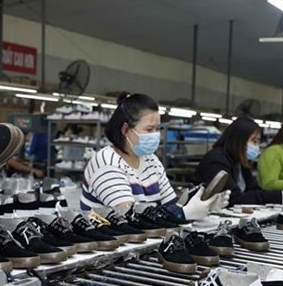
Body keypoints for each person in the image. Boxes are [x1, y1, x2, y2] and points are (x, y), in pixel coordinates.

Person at [80, 92, 227, 220]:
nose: (156, 135)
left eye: (158, 129)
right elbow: (130, 217)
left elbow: (170, 205)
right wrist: (184, 214)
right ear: (125, 129)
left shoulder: (151, 160)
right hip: (106, 240)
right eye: (149, 129)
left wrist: (203, 206)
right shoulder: (106, 164)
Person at [196, 117, 283, 206]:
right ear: (239, 139)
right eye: (254, 141)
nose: (257, 147)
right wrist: (277, 197)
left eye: (258, 142)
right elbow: (234, 198)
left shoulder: (239, 161)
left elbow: (253, 188)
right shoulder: (216, 161)